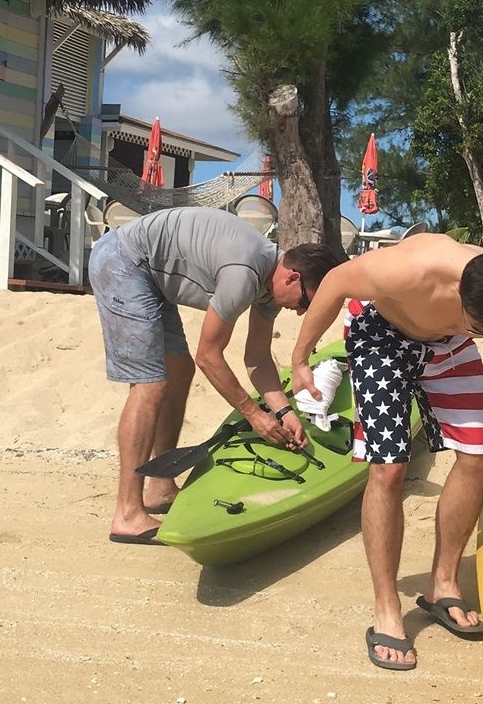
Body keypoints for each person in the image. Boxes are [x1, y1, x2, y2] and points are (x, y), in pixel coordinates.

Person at [291, 236, 483, 671]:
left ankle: (443, 584)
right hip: (382, 336)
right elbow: (335, 282)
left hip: (447, 342)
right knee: (389, 467)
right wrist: (299, 358)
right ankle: (386, 607)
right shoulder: (411, 270)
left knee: (480, 455)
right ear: (459, 295)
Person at [90, 206, 337, 545]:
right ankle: (127, 513)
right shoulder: (245, 272)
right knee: (151, 384)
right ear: (292, 277)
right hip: (124, 262)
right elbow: (210, 356)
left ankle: (159, 488)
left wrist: (283, 412)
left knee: (178, 371)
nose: (300, 312)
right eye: (305, 301)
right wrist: (254, 416)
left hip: (152, 280)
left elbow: (257, 358)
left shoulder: (270, 284)